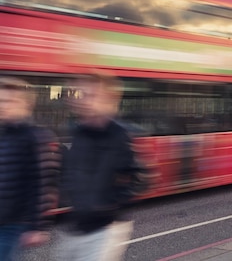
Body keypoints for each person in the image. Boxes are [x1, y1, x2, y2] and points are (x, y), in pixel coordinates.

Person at [55, 73, 147, 260]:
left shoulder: (120, 135)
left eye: (90, 95)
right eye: (81, 94)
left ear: (107, 99)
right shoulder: (78, 132)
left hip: (106, 228)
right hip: (75, 225)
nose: (83, 100)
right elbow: (68, 171)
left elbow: (140, 179)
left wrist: (108, 205)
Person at [0, 77, 60, 260]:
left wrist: (38, 226)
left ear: (25, 105)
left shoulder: (35, 136)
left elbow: (42, 183)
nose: (3, 106)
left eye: (8, 101)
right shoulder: (3, 133)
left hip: (13, 223)